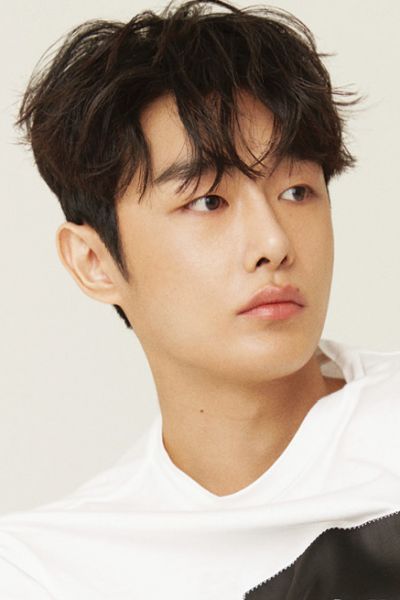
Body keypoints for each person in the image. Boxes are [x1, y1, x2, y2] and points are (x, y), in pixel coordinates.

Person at [1, 0, 399, 598]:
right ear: (94, 262)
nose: (273, 244)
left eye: (297, 191)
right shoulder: (49, 570)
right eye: (208, 202)